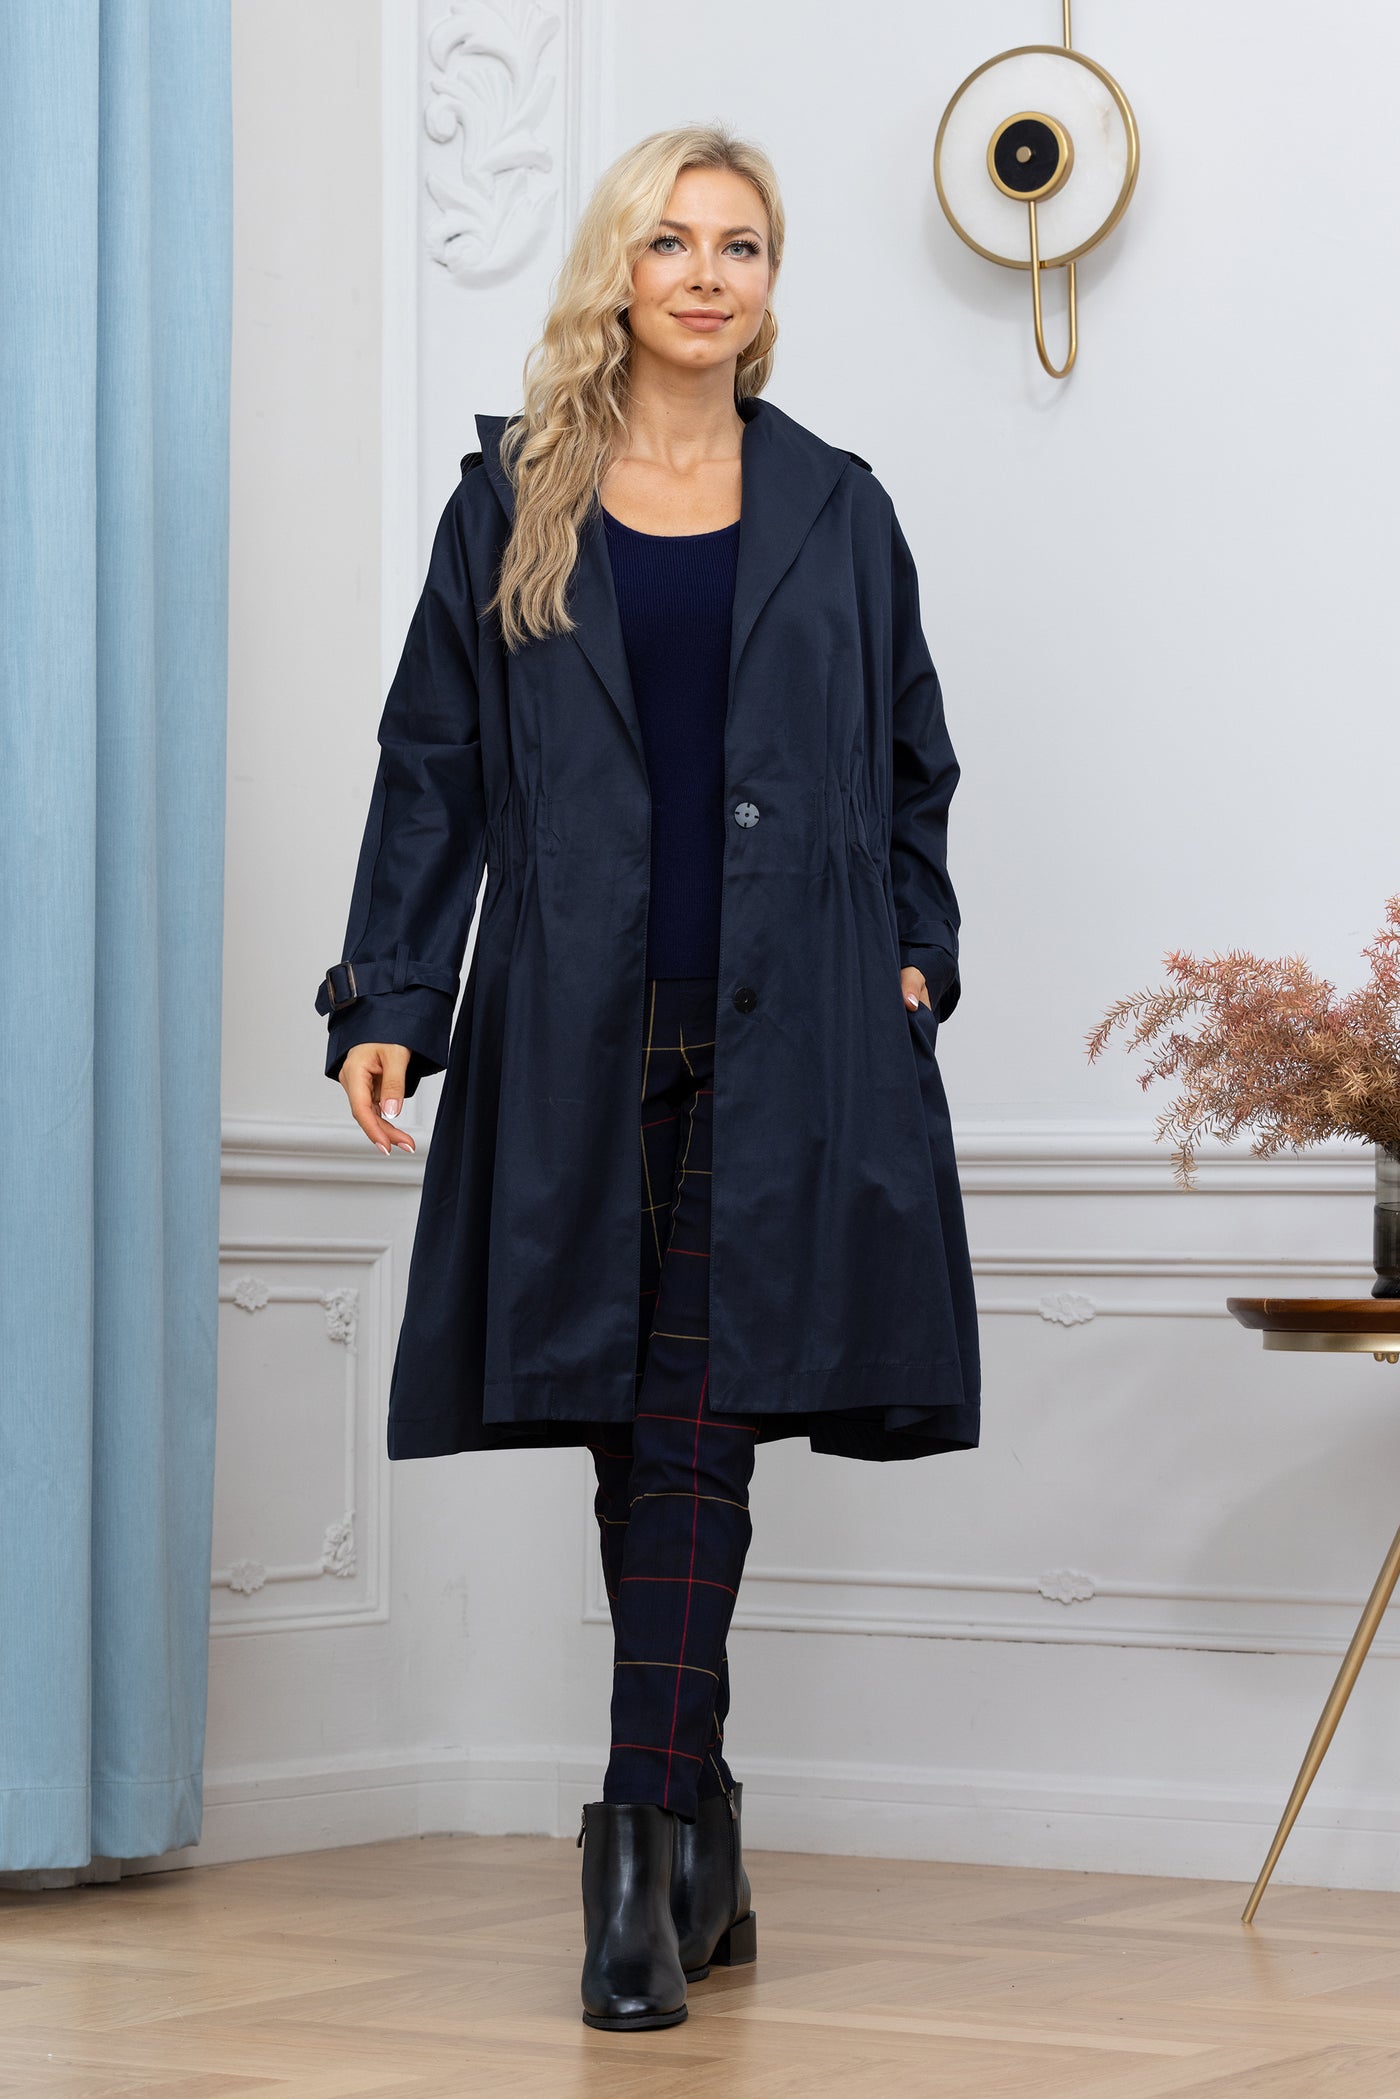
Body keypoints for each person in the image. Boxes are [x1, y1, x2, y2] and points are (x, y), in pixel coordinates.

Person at [316, 123, 979, 2033]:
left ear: (772, 283)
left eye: (740, 245)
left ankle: (631, 1865)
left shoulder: (838, 507)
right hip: (578, 1031)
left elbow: (914, 758)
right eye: (672, 242)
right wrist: (392, 995)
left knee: (693, 1427)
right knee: (643, 1437)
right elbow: (432, 762)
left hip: (801, 1035)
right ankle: (709, 1833)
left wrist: (916, 951)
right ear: (619, 270)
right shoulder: (511, 502)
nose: (705, 275)